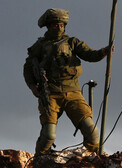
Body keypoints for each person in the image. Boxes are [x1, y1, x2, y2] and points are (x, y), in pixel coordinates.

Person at [23, 8, 112, 155]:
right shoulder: (40, 45)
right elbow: (28, 67)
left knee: (92, 132)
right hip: (50, 94)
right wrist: (33, 86)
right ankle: (39, 160)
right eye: (55, 25)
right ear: (48, 26)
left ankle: (93, 158)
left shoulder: (72, 42)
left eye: (61, 25)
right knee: (48, 135)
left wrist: (103, 52)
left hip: (73, 93)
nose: (59, 28)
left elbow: (90, 55)